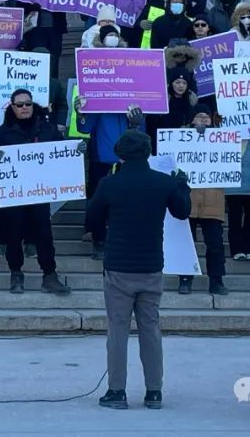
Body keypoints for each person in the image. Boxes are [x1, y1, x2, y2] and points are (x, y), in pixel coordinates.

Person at [85, 129, 191, 410]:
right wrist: (182, 185)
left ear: (120, 153)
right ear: (148, 152)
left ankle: (116, 391)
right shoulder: (162, 183)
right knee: (150, 329)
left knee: (117, 330)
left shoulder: (110, 184)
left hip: (119, 264)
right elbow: (182, 211)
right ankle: (154, 391)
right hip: (151, 265)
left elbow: (91, 217)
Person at [0, 89, 72, 295]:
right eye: (20, 105)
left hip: (40, 192)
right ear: (12, 108)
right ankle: (16, 273)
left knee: (44, 233)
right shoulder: (3, 133)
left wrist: (76, 151)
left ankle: (50, 275)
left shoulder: (47, 129)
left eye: (28, 103)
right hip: (15, 194)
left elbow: (63, 153)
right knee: (13, 233)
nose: (25, 107)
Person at [76, 93, 146, 260]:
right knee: (98, 199)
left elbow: (143, 134)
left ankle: (123, 240)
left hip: (129, 160)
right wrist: (80, 112)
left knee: (129, 201)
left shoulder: (137, 103)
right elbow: (84, 128)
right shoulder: (100, 102)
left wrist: (135, 123)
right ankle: (99, 240)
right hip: (102, 159)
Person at [177, 104, 228, 296]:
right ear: (192, 120)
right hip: (188, 199)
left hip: (213, 199)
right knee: (186, 244)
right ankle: (185, 279)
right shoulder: (180, 138)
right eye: (199, 116)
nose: (203, 120)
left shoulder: (222, 138)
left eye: (206, 117)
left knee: (215, 244)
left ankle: (216, 280)